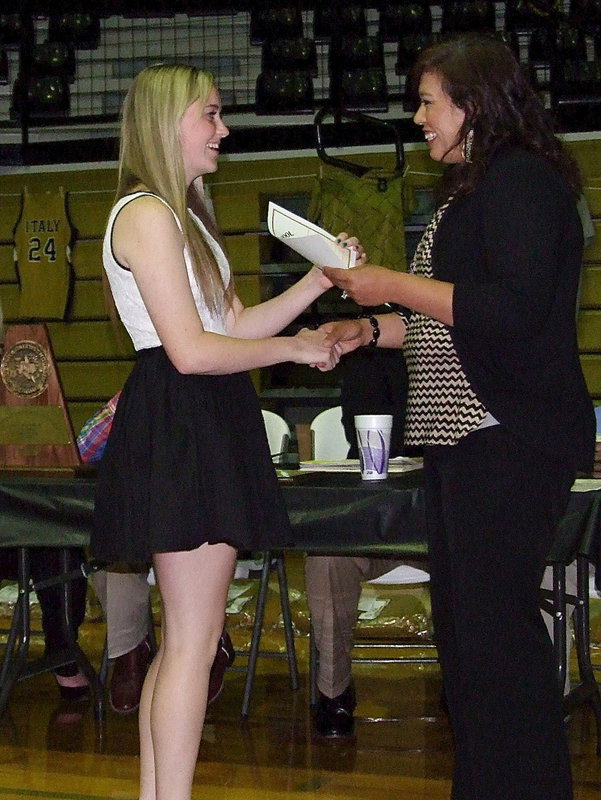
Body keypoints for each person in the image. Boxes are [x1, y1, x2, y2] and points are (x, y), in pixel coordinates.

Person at [317, 33, 596, 800]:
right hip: (460, 445)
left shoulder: (521, 183)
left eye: (428, 102)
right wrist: (368, 328)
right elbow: (450, 320)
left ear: (472, 105)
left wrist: (389, 286)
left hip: (505, 439)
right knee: (470, 644)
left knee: (495, 642)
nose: (417, 117)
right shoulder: (473, 189)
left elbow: (508, 312)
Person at [89, 63, 359, 800]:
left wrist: (313, 283)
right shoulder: (145, 214)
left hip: (200, 416)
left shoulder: (185, 215)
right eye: (209, 114)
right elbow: (192, 350)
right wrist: (298, 348)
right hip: (184, 416)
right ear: (168, 121)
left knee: (183, 641)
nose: (224, 129)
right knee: (191, 643)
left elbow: (231, 324)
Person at [305, 346, 429, 738]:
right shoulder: (364, 355)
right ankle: (333, 689)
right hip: (373, 512)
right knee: (326, 556)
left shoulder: (461, 336)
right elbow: (359, 435)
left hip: (440, 515)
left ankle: (469, 679)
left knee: (477, 545)